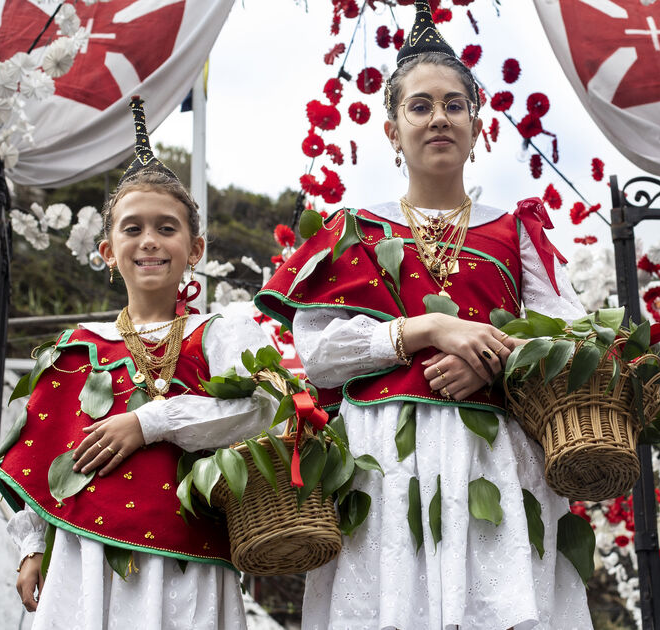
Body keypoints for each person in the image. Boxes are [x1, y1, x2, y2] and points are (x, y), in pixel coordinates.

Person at [254, 3, 593, 628]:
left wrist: (495, 368)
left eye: (454, 104)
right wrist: (430, 329)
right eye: (419, 105)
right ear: (391, 130)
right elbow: (321, 356)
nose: (439, 117)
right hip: (382, 458)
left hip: (493, 456)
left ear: (476, 123)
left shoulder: (515, 232)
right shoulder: (354, 230)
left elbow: (571, 344)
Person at [0, 97, 278, 630]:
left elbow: (259, 409)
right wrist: (34, 545)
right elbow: (46, 451)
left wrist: (149, 422)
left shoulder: (220, 331)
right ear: (107, 251)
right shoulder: (78, 346)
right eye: (132, 229)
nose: (149, 240)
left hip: (185, 554)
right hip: (85, 558)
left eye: (166, 228)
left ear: (195, 249)